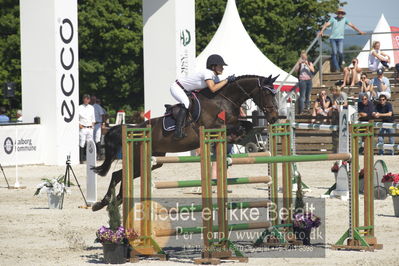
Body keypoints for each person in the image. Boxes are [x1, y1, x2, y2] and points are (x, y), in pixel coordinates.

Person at [170, 54, 235, 139]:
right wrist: (226, 80)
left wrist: (230, 82)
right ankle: (177, 131)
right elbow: (213, 88)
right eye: (220, 66)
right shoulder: (207, 73)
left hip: (187, 90)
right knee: (186, 104)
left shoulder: (215, 77)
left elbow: (219, 89)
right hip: (177, 88)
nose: (222, 68)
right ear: (213, 67)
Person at [318, 8, 365, 72]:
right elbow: (326, 24)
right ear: (337, 13)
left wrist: (360, 31)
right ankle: (337, 68)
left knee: (340, 52)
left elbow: (352, 26)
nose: (340, 14)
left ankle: (340, 64)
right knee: (334, 52)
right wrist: (321, 31)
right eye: (339, 13)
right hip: (333, 38)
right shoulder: (333, 19)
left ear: (343, 14)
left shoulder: (345, 19)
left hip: (340, 38)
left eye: (341, 13)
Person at [79, 94, 95, 163]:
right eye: (85, 99)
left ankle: (89, 158)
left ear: (89, 100)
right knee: (82, 142)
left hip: (89, 127)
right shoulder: (79, 107)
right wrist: (79, 124)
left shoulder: (91, 107)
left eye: (87, 99)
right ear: (83, 99)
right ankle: (81, 159)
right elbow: (77, 118)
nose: (86, 100)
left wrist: (92, 125)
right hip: (83, 127)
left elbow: (93, 118)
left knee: (90, 143)